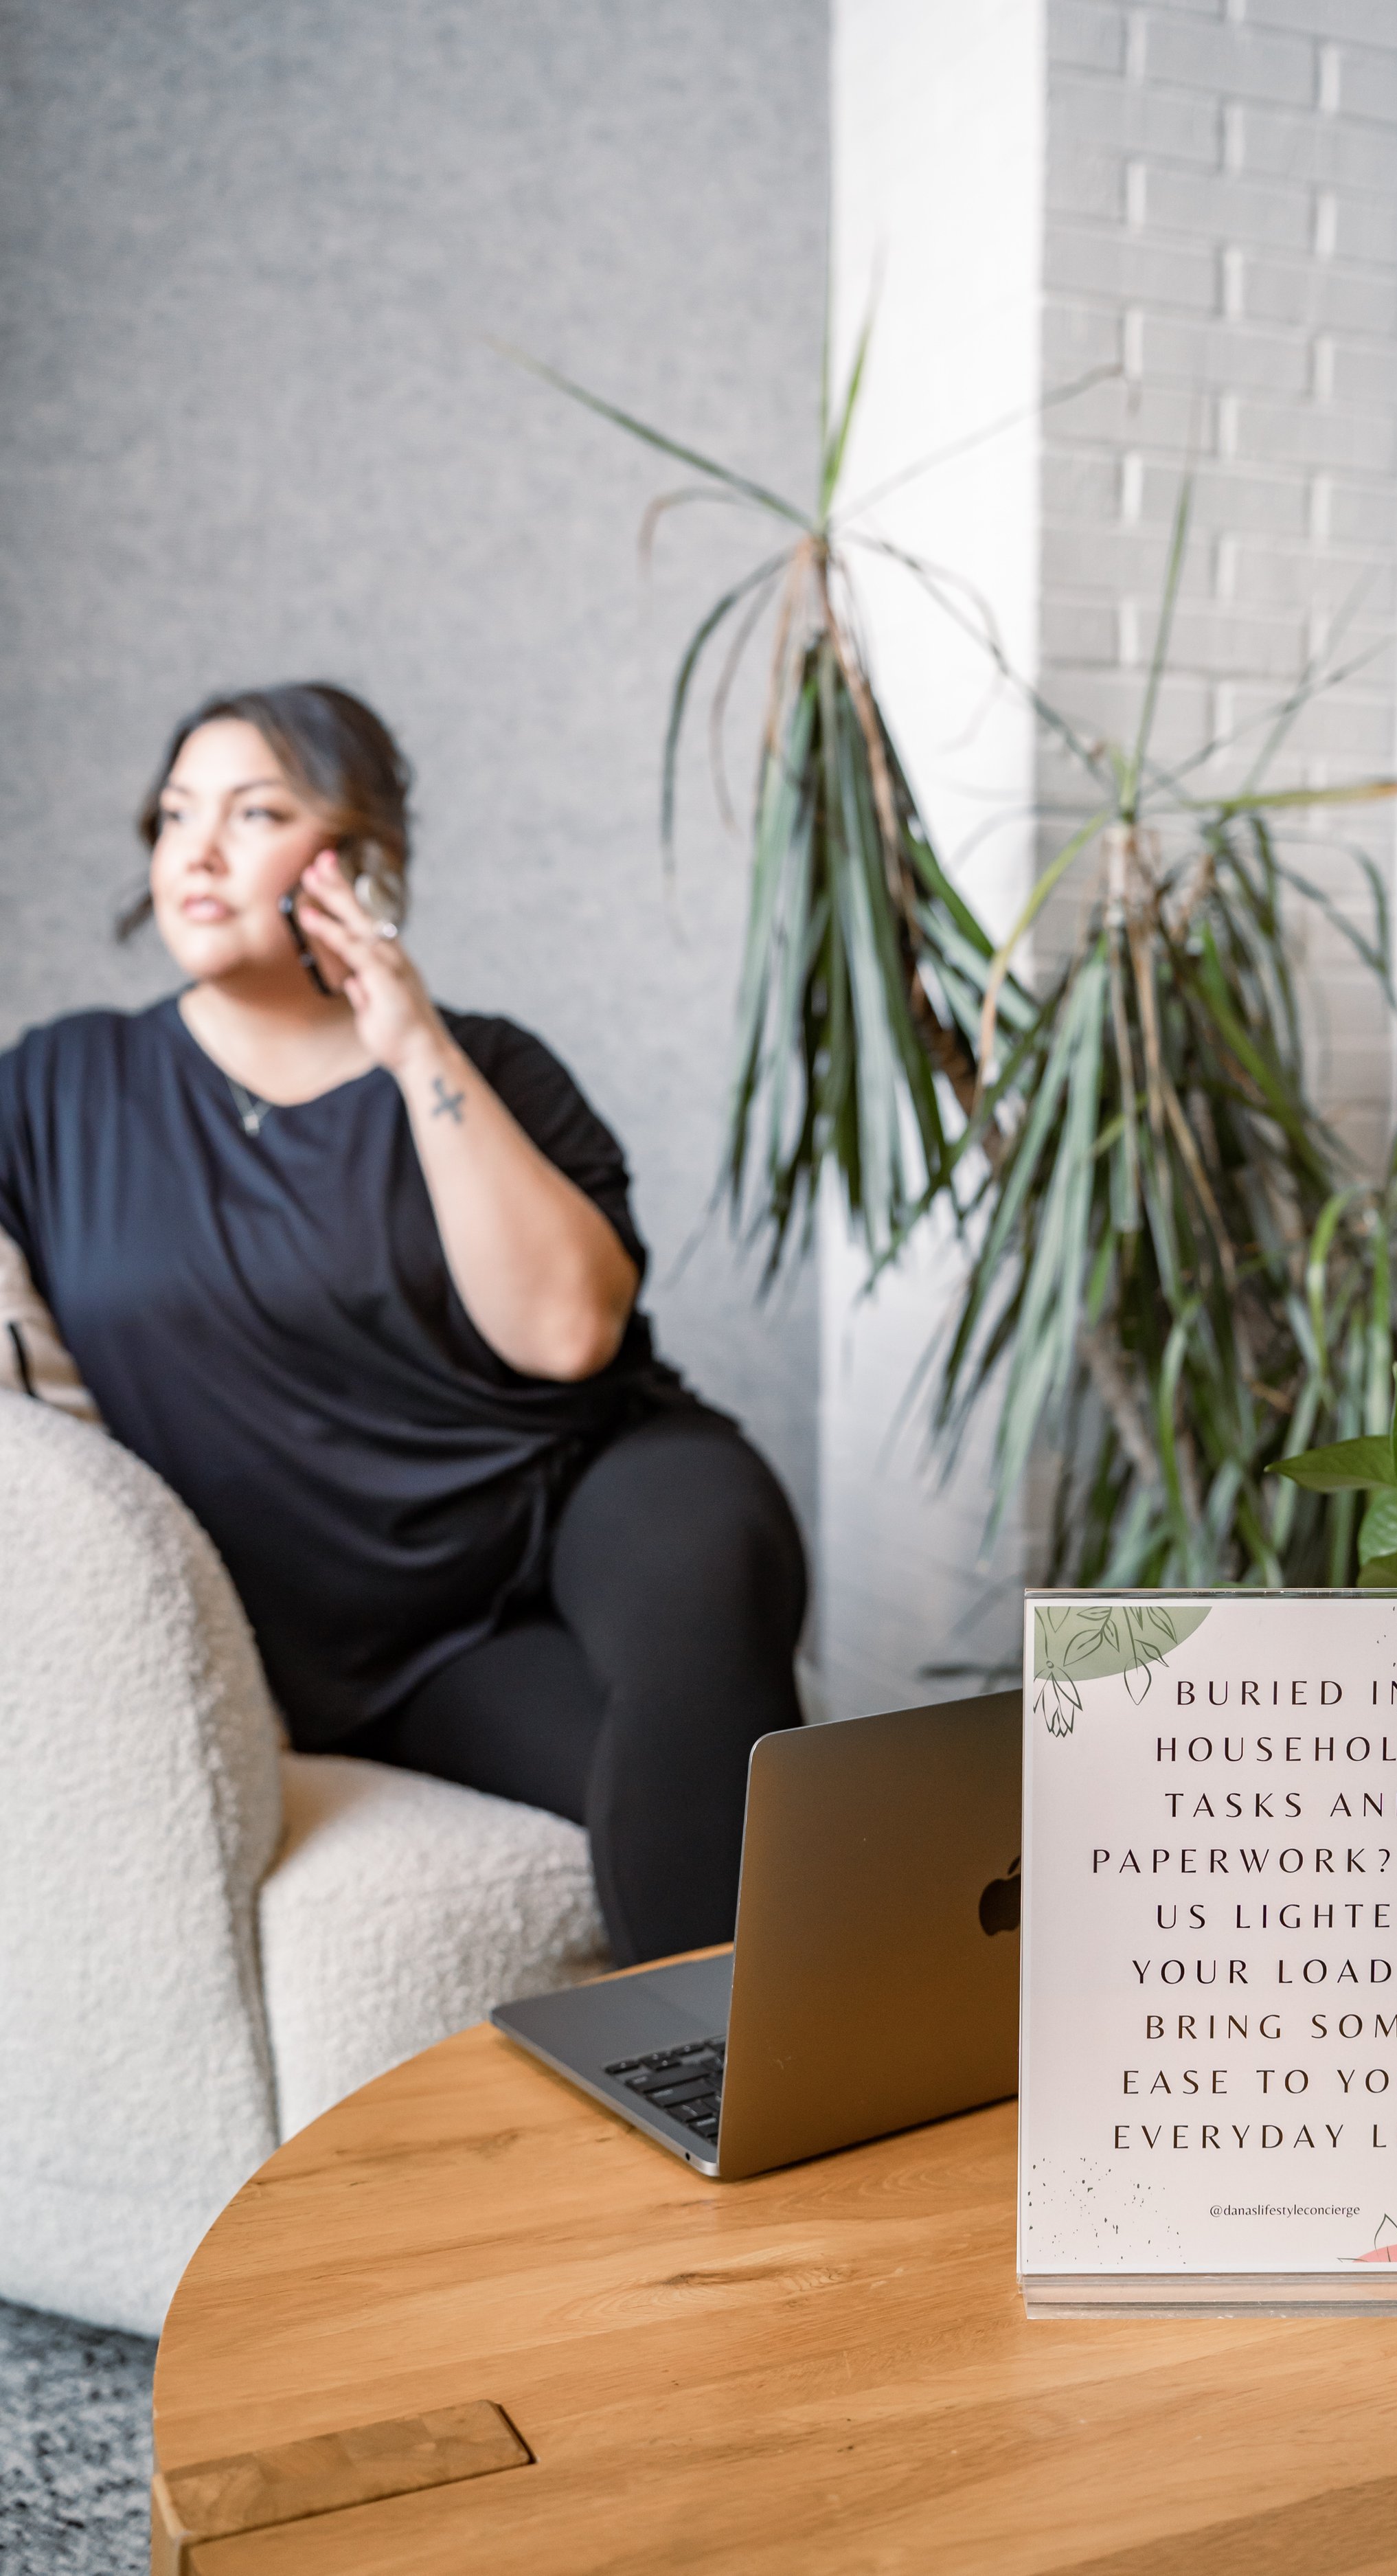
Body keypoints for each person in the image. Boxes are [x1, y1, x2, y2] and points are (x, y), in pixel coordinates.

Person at [0, 682, 806, 1966]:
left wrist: (410, 1036)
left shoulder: (491, 1062)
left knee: (701, 1613)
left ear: (359, 857)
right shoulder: (58, 1090)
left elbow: (566, 1337)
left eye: (255, 812)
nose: (196, 852)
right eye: (173, 816)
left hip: (602, 1482)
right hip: (387, 1642)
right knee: (702, 1793)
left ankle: (761, 2122)